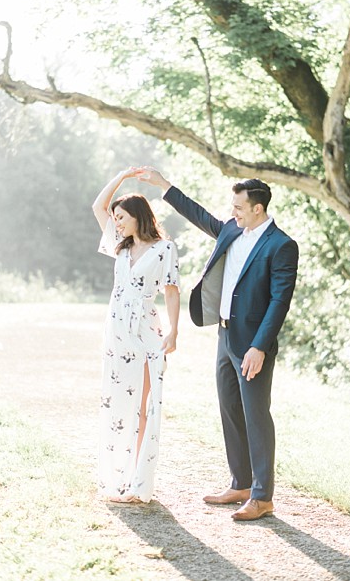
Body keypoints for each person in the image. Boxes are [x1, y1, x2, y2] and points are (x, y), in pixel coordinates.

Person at [138, 167, 298, 521]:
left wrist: (259, 347)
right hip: (224, 336)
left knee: (256, 415)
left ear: (258, 208)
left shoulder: (282, 246)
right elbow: (199, 215)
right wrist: (165, 185)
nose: (233, 211)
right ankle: (240, 483)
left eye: (239, 206)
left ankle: (262, 496)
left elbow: (279, 302)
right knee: (229, 409)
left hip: (253, 344)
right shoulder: (230, 229)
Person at [91, 167, 180, 503]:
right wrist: (123, 176)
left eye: (122, 217)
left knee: (143, 405)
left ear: (138, 216)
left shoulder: (164, 249)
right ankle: (116, 476)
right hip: (115, 330)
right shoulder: (120, 247)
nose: (116, 222)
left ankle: (137, 480)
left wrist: (174, 330)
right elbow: (98, 207)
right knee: (116, 401)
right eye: (115, 218)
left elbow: (172, 291)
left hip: (145, 328)